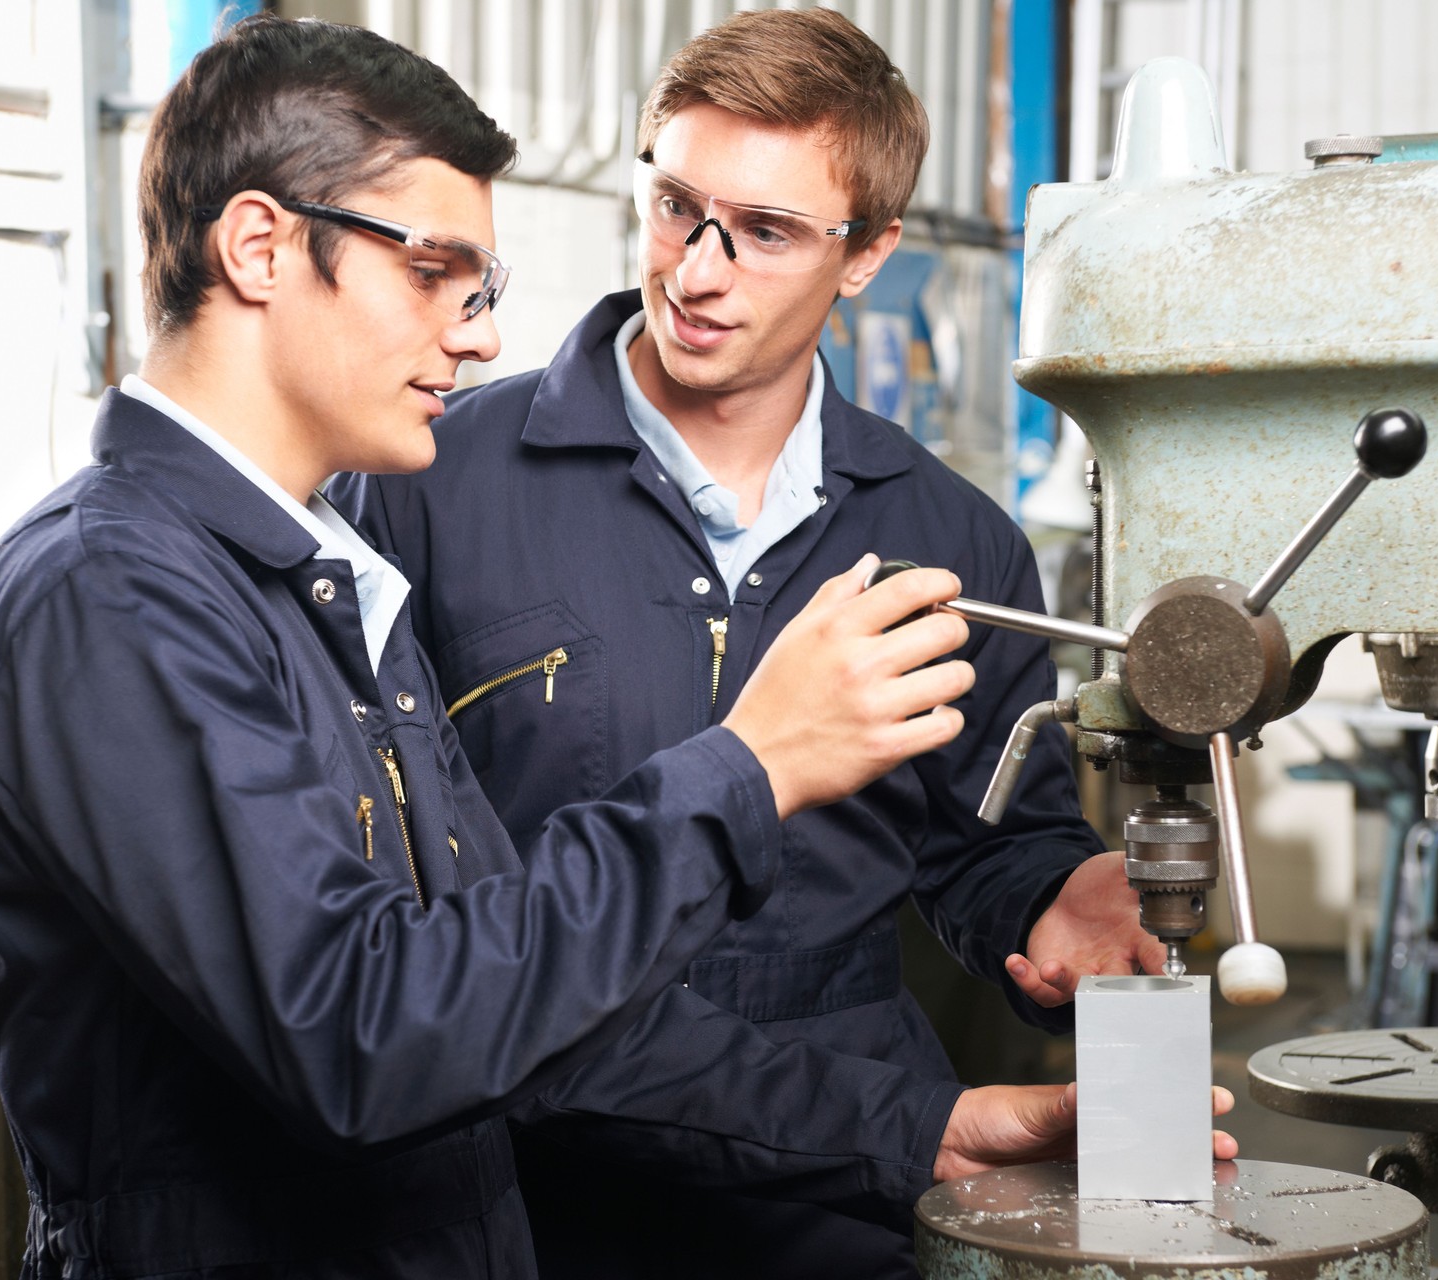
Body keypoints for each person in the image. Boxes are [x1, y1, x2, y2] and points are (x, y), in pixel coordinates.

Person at [0, 16, 981, 1279]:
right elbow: (365, 1031)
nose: (476, 335)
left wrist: (926, 1127)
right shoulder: (107, 599)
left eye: (482, 289)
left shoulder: (318, 590)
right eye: (434, 273)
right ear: (259, 245)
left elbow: (536, 1017)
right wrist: (748, 767)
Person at [335, 9, 1232, 1278]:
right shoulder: (428, 483)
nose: (698, 272)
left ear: (867, 253)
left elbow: (982, 843)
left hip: (844, 1165)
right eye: (673, 207)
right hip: (526, 1170)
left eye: (765, 233)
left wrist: (1055, 890)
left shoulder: (948, 539)